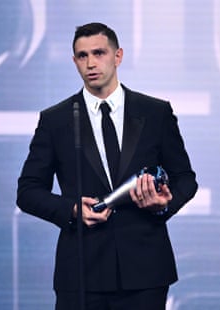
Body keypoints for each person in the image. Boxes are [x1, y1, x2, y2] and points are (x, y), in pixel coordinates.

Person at [17, 22, 198, 310]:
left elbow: (185, 179)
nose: (90, 63)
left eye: (99, 53)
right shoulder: (56, 120)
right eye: (82, 55)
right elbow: (27, 191)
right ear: (74, 61)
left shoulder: (155, 112)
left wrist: (163, 204)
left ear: (118, 56)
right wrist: (73, 209)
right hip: (80, 272)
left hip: (145, 270)